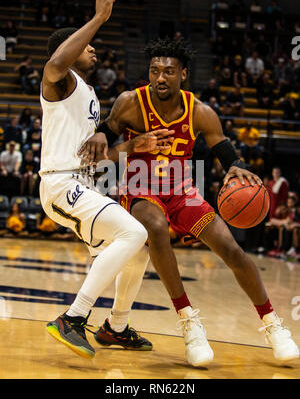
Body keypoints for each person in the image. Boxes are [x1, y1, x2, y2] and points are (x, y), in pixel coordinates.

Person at [80, 37, 299, 366]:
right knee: (154, 227)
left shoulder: (201, 112)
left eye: (168, 71)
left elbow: (225, 151)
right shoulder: (130, 103)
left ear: (183, 74)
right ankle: (189, 322)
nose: (160, 78)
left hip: (183, 191)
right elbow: (107, 133)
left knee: (231, 248)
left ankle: (272, 324)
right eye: (154, 71)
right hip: (140, 187)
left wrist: (235, 167)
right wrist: (100, 133)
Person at [39, 0, 174, 359]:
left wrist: (137, 146)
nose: (94, 51)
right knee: (135, 230)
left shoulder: (89, 94)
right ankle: (73, 317)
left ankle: (116, 326)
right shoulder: (59, 81)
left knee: (137, 250)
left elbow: (96, 161)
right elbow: (55, 62)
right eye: (87, 47)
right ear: (71, 48)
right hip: (60, 183)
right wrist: (98, 18)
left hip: (80, 182)